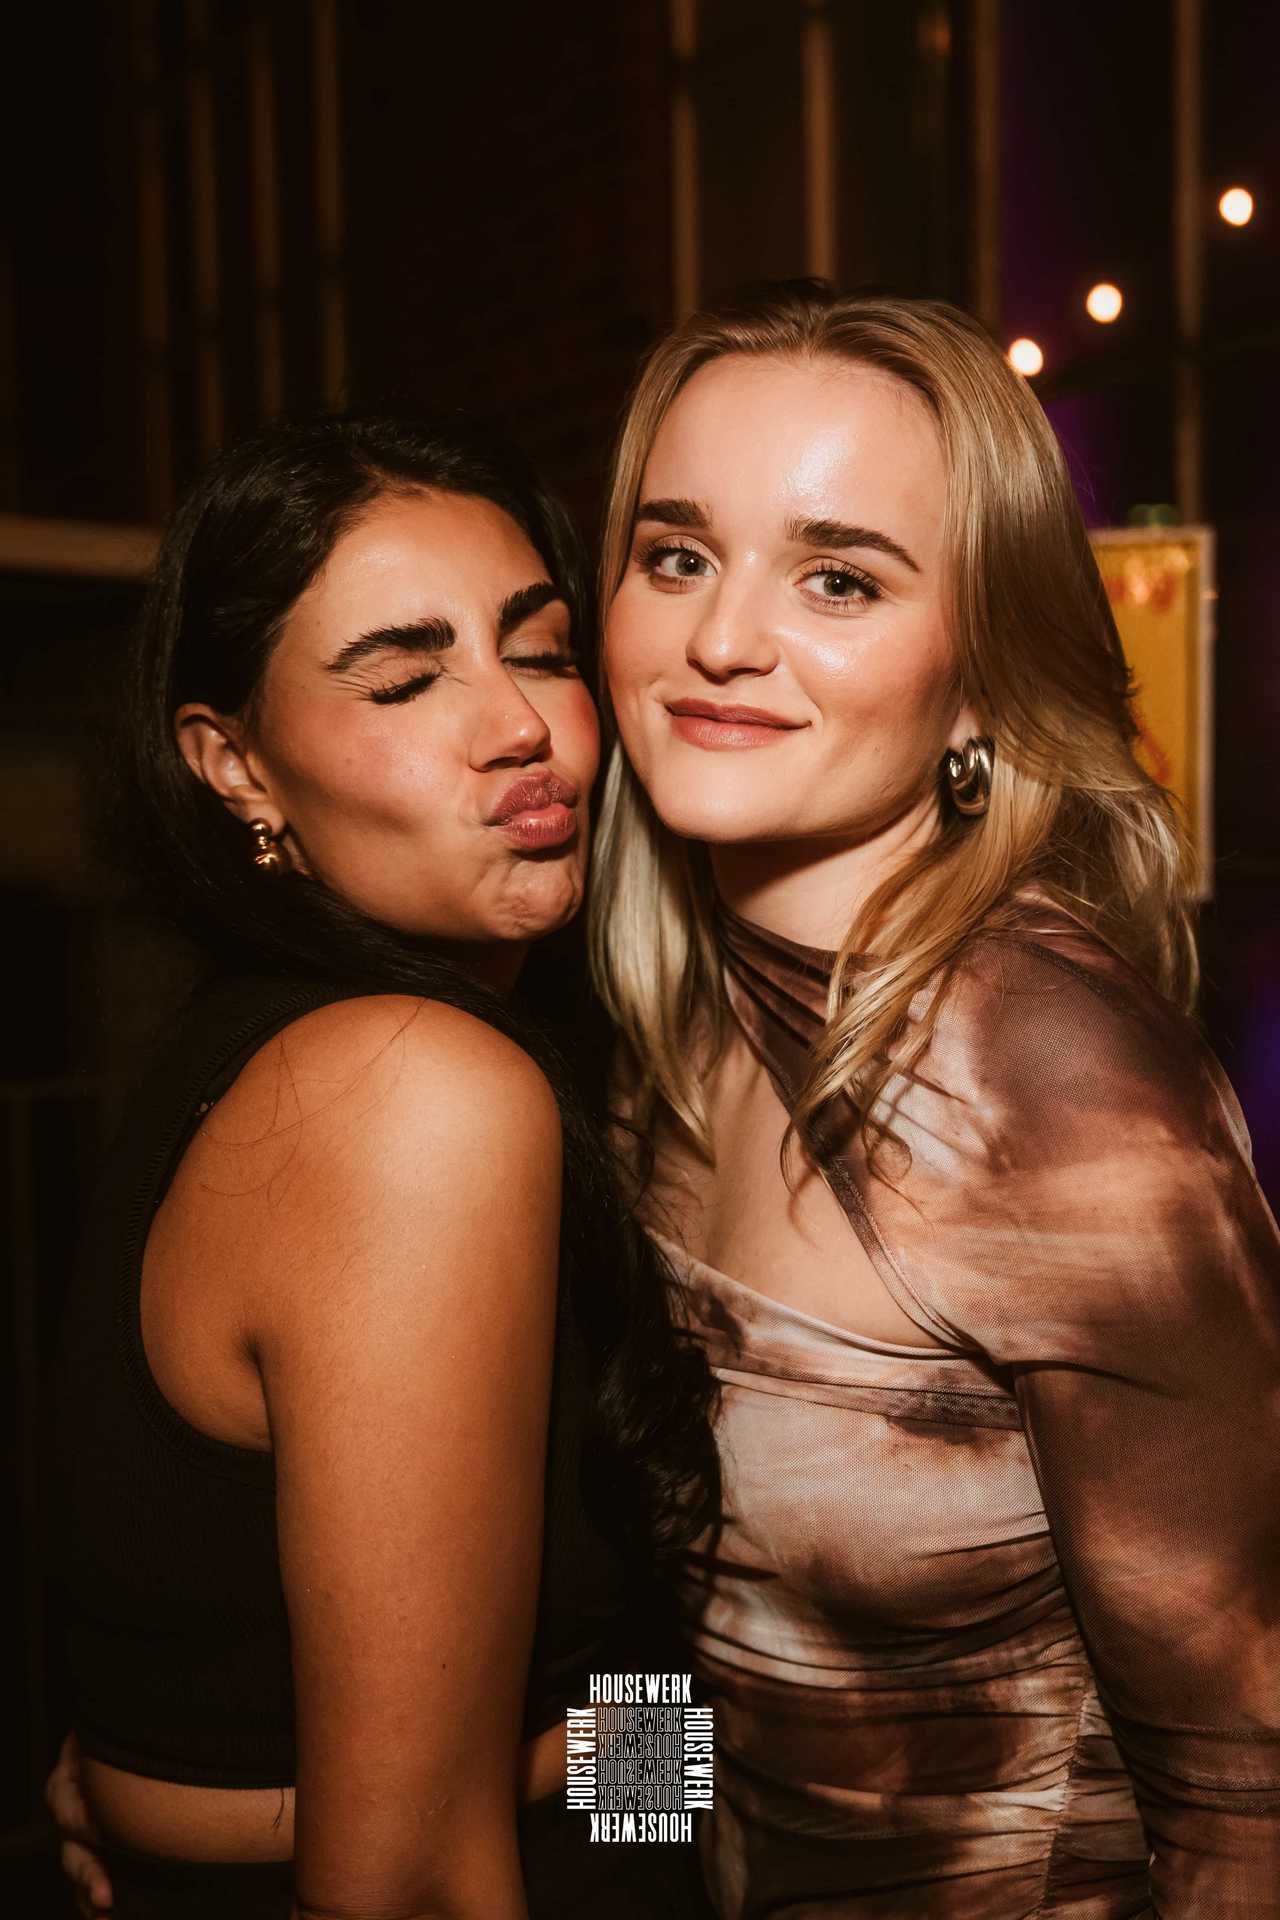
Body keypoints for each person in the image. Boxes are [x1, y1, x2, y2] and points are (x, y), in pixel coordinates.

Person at [591, 283, 1280, 1915]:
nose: (720, 639)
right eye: (677, 556)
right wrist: (628, 1864)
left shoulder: (1049, 1075)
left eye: (838, 577)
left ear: (981, 674)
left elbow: (1243, 1808)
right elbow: (666, 1624)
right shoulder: (657, 1018)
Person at [50, 411, 718, 1919]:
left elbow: (592, 1689)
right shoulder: (413, 1089)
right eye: (407, 679)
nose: (518, 724)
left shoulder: (293, 1038)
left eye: (539, 650)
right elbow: (407, 1871)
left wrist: (691, 1751)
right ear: (236, 766)